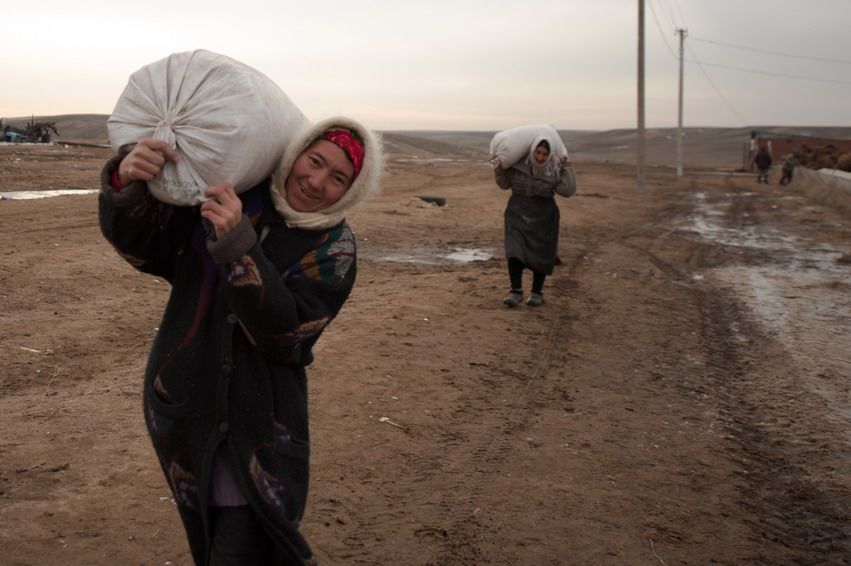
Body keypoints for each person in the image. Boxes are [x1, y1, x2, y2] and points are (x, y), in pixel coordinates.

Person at [99, 116, 382, 565]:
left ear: (350, 191)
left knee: (241, 548)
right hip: (189, 416)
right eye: (315, 161)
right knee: (211, 544)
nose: (316, 181)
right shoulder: (238, 199)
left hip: (258, 431)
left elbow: (284, 336)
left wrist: (237, 245)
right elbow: (147, 249)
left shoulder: (334, 249)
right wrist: (127, 181)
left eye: (338, 178)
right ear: (295, 155)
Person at [494, 136, 577, 307]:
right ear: (531, 151)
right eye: (537, 152)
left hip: (544, 214)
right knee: (514, 250)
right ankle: (515, 291)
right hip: (517, 211)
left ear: (550, 155)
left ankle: (536, 292)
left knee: (541, 252)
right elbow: (503, 184)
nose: (540, 157)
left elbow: (567, 191)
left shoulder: (554, 168)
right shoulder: (518, 165)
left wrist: (567, 166)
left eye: (544, 154)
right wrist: (499, 167)